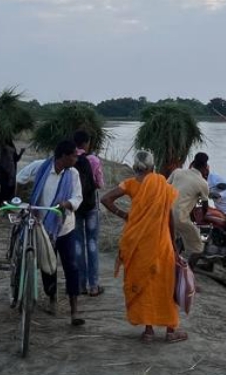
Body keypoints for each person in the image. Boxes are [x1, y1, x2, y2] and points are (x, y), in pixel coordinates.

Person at [101, 149, 185, 342]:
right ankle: (170, 331)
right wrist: (174, 245)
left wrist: (125, 216)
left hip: (137, 245)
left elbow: (105, 199)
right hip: (161, 243)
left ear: (135, 168)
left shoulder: (130, 184)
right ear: (152, 167)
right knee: (165, 285)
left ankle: (148, 331)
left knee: (145, 285)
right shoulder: (162, 184)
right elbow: (169, 217)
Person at [26, 140, 85, 326]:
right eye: (74, 156)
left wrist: (66, 204)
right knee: (48, 266)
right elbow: (20, 178)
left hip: (65, 227)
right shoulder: (40, 167)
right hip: (43, 226)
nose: (76, 159)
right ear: (63, 156)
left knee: (72, 267)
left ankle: (74, 310)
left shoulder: (73, 174)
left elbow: (78, 197)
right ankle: (52, 298)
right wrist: (22, 201)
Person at [71, 129, 102, 296]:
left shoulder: (69, 158)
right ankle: (94, 286)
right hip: (90, 206)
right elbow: (100, 184)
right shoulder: (94, 160)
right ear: (86, 143)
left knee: (77, 244)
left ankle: (80, 284)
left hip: (74, 207)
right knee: (92, 244)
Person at [165, 158, 209, 262]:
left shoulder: (177, 172)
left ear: (192, 164)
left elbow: (165, 187)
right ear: (204, 168)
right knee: (198, 247)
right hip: (178, 217)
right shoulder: (202, 183)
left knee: (169, 239)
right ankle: (189, 271)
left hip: (164, 212)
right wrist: (203, 217)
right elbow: (205, 205)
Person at [0, 139, 22, 207]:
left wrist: (21, 152)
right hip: (5, 172)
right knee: (5, 190)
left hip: (11, 172)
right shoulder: (4, 148)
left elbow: (16, 159)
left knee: (9, 190)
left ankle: (3, 204)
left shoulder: (11, 147)